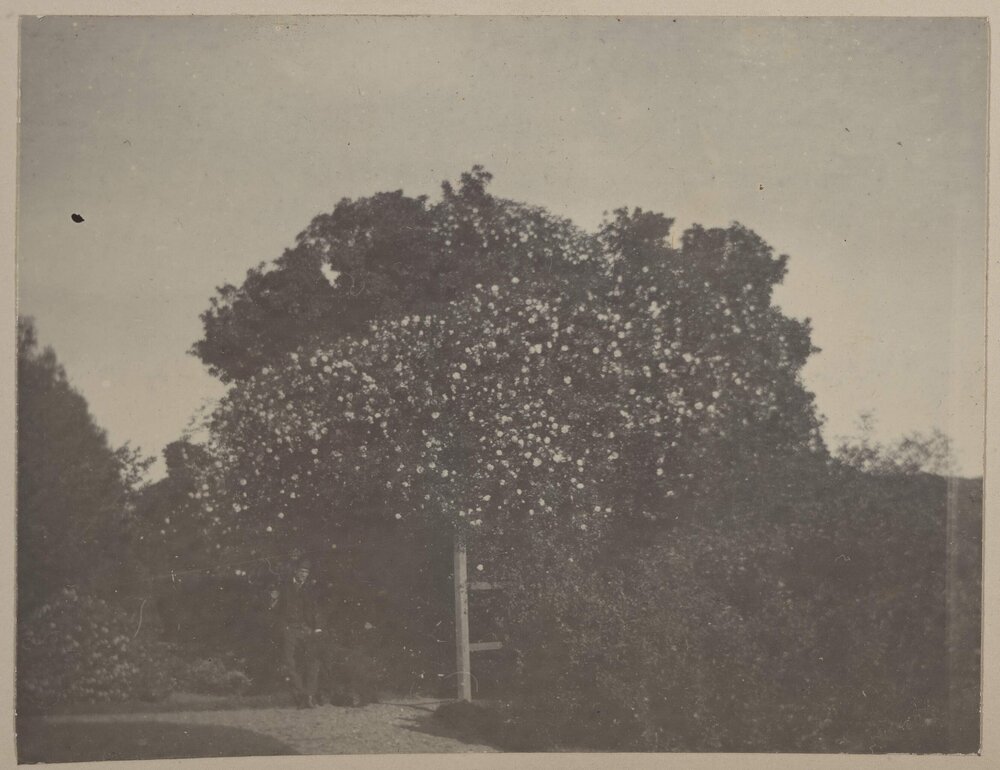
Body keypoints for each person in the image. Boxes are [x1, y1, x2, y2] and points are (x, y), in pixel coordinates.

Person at [271, 557, 325, 708]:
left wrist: (318, 627)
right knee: (289, 662)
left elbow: (317, 609)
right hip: (290, 629)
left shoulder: (312, 589)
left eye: (306, 572)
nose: (304, 575)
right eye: (301, 571)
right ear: (295, 571)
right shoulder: (284, 587)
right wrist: (283, 627)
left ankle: (309, 695)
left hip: (307, 629)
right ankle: (301, 694)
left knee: (313, 662)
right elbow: (275, 608)